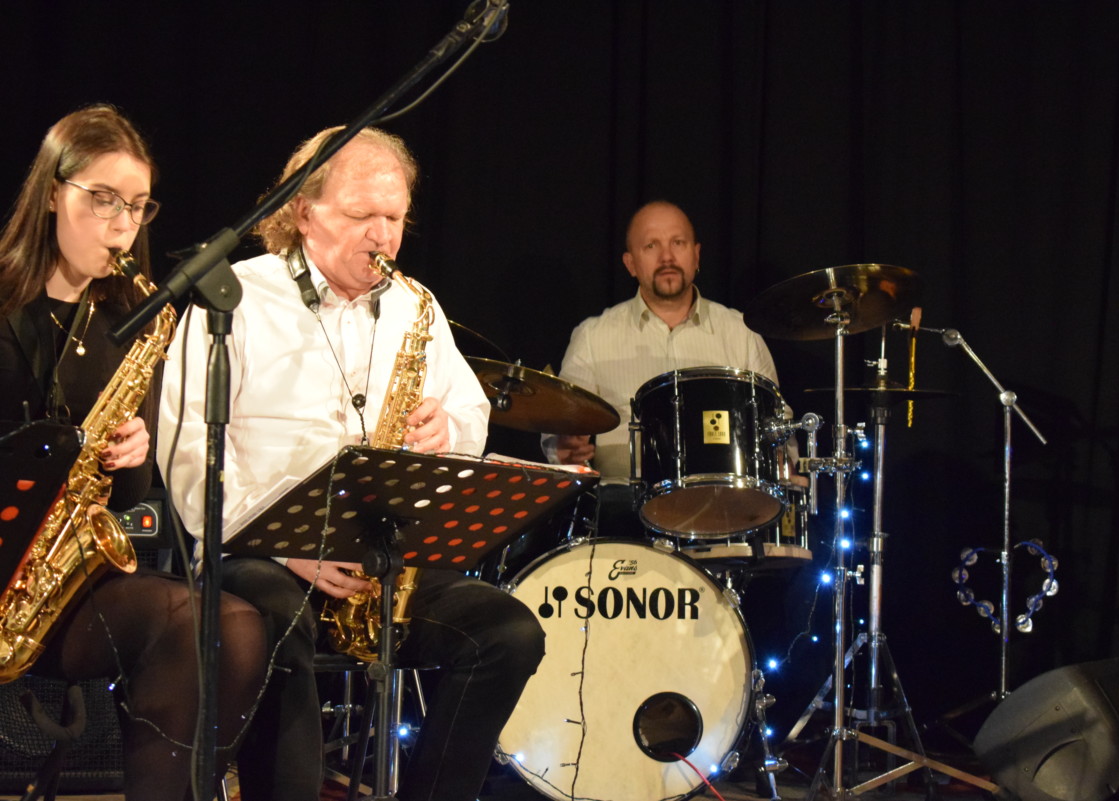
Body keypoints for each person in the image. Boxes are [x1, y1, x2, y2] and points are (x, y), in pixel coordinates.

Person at [157, 125, 545, 801]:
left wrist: (449, 428)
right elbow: (186, 447)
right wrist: (284, 544)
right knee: (278, 622)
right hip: (263, 553)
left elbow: (470, 414)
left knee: (507, 633)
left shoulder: (415, 305)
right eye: (362, 215)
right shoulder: (235, 297)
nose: (383, 236)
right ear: (303, 211)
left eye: (394, 218)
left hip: (378, 560)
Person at [0, 104, 266, 801]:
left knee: (225, 626)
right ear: (52, 191)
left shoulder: (130, 319)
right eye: (103, 199)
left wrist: (133, 454)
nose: (123, 225)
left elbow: (125, 499)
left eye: (138, 205)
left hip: (54, 586)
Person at [543, 200, 793, 534]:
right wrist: (564, 449)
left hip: (725, 512)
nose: (667, 257)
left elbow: (779, 424)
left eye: (678, 242)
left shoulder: (741, 332)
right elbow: (560, 427)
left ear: (696, 255)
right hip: (621, 515)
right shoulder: (592, 336)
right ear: (631, 264)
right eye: (651, 246)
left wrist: (783, 458)